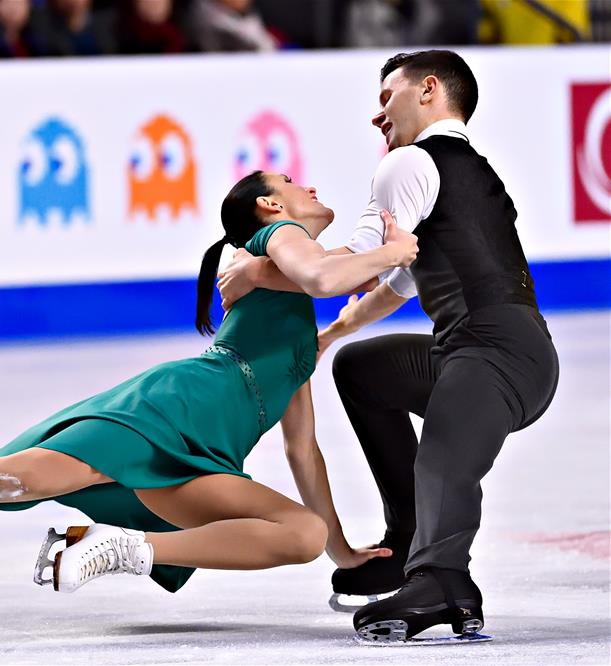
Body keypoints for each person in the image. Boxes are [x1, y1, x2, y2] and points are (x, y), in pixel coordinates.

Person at [0, 171, 419, 596]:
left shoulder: (291, 316)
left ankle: (124, 550)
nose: (309, 186)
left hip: (208, 454)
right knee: (24, 475)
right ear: (270, 206)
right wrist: (394, 252)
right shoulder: (271, 240)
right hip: (172, 407)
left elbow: (303, 451)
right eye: (293, 183)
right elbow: (327, 274)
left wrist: (342, 550)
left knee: (298, 536)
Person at [217, 50, 559, 642]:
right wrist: (331, 336)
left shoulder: (406, 162)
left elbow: (339, 269)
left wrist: (254, 270)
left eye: (386, 97)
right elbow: (397, 281)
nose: (378, 116)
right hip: (502, 354)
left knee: (444, 456)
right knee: (363, 368)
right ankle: (406, 543)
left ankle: (443, 579)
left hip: (492, 354)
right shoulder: (465, 169)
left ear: (428, 90)